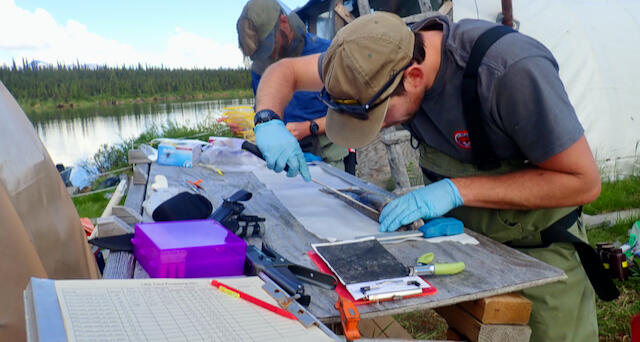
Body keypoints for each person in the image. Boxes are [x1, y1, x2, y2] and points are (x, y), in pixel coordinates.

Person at [252, 11, 614, 342]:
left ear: (413, 77)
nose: (375, 128)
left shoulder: (508, 71)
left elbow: (583, 181)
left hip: (540, 254)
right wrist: (268, 120)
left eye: (378, 115)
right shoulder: (367, 57)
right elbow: (283, 72)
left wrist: (457, 190)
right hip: (462, 246)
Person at [235, 0, 351, 173]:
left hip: (327, 152)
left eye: (269, 50)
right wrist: (248, 127)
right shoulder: (261, 67)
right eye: (261, 56)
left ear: (284, 23)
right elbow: (264, 112)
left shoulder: (326, 54)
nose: (269, 60)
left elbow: (350, 114)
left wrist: (309, 127)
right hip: (283, 155)